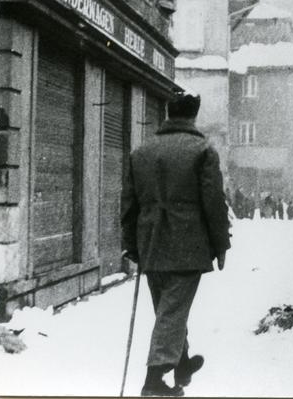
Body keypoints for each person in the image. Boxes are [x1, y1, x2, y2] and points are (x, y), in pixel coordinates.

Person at [121, 92, 231, 396]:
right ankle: (153, 380)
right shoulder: (202, 150)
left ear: (168, 114)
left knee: (168, 309)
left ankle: (182, 363)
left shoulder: (141, 151)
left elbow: (128, 203)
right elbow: (213, 202)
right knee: (172, 311)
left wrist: (131, 244)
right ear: (193, 116)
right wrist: (221, 244)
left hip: (150, 245)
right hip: (188, 245)